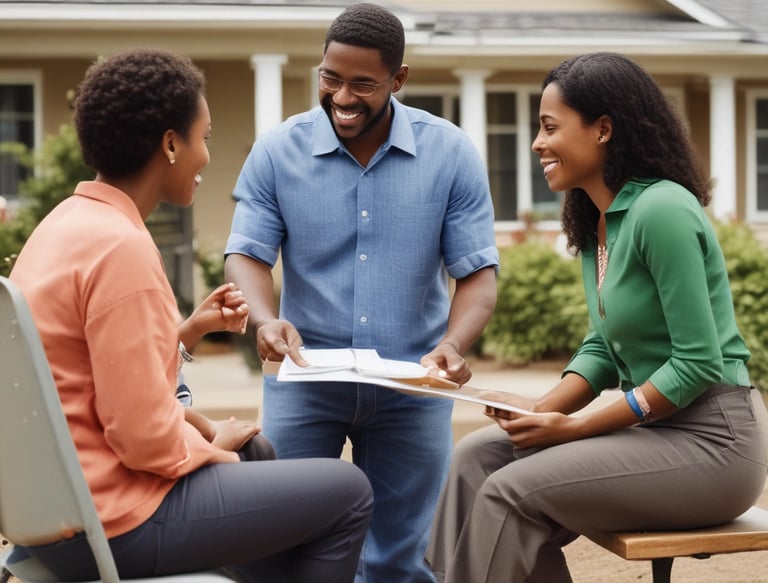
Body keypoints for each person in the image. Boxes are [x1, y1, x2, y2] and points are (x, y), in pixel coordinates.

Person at [8, 48, 372, 583]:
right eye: (204, 137)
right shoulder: (121, 248)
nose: (206, 157)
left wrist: (191, 356)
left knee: (259, 450)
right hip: (115, 522)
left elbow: (100, 385)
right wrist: (209, 449)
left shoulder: (63, 226)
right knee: (348, 492)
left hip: (56, 514)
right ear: (171, 144)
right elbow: (142, 438)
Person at [426, 52, 768, 583]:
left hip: (715, 445)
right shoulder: (599, 225)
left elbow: (698, 363)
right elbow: (605, 347)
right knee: (478, 456)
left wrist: (576, 427)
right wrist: (541, 411)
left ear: (603, 129)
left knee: (512, 489)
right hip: (657, 435)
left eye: (549, 127)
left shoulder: (664, 211)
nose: (537, 143)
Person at [224, 3, 499, 581]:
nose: (342, 97)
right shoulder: (277, 151)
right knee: (277, 544)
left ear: (398, 80)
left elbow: (477, 274)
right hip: (306, 381)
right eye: (330, 78)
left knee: (402, 557)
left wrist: (455, 342)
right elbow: (247, 253)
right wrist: (264, 319)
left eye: (362, 84)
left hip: (411, 383)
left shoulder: (449, 153)